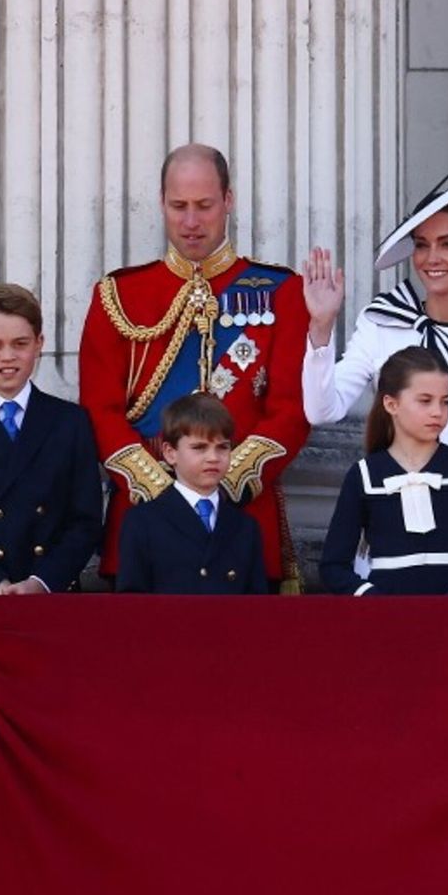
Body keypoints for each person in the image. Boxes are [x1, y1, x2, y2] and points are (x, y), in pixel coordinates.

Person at [79, 144, 311, 590]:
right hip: (143, 520)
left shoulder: (281, 292)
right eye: (178, 206)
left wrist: (225, 480)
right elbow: (98, 408)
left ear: (228, 200)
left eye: (204, 206)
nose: (190, 222)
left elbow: (291, 408)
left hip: (242, 518)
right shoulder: (119, 294)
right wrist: (162, 491)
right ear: (162, 203)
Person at [302, 165, 448, 582]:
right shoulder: (382, 322)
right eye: (422, 245)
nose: (432, 258)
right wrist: (320, 328)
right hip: (384, 549)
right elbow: (322, 410)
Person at [318, 347, 448, 595]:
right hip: (388, 622)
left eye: (445, 401)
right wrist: (373, 599)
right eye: (425, 400)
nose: (437, 412)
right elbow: (333, 566)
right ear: (391, 404)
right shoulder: (364, 475)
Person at [0, 284, 103, 595]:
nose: (8, 356)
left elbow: (85, 520)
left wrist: (41, 583)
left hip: (51, 595)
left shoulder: (70, 422)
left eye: (20, 343)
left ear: (39, 343)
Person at [117, 394, 268, 593]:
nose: (213, 458)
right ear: (170, 453)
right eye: (200, 448)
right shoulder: (143, 521)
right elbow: (131, 602)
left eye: (222, 447)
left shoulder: (245, 527)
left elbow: (255, 607)